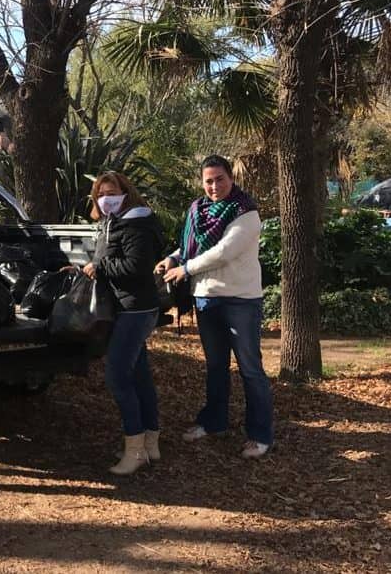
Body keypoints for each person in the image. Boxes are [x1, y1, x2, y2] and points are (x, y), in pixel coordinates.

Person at [156, 155, 273, 459]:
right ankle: (214, 422)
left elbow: (224, 251)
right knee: (215, 366)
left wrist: (186, 268)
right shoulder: (198, 210)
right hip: (207, 298)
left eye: (219, 179)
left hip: (241, 300)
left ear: (231, 178)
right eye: (208, 180)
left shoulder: (245, 212)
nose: (214, 186)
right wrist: (173, 258)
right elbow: (193, 244)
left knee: (250, 369)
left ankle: (260, 434)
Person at [83, 172, 165, 475]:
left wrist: (99, 266)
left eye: (111, 192)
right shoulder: (113, 223)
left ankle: (135, 450)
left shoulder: (136, 224)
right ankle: (149, 443)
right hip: (127, 308)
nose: (106, 198)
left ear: (125, 192)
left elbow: (135, 267)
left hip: (135, 310)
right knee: (139, 374)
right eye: (100, 194)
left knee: (117, 376)